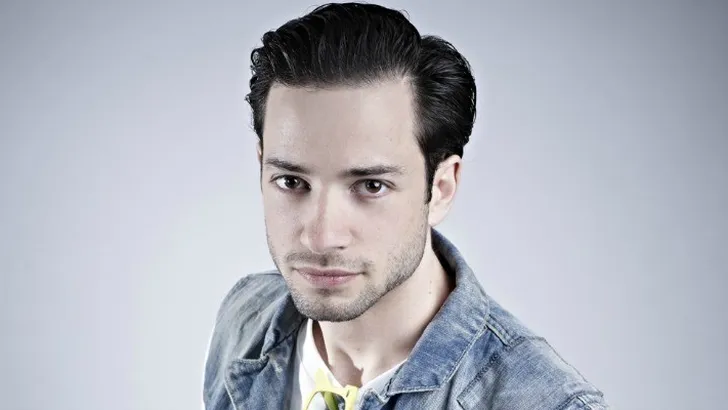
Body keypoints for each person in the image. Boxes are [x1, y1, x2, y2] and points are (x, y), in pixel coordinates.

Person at [203, 3, 608, 409]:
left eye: (371, 186)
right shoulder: (245, 316)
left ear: (442, 188)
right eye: (292, 182)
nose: (321, 237)